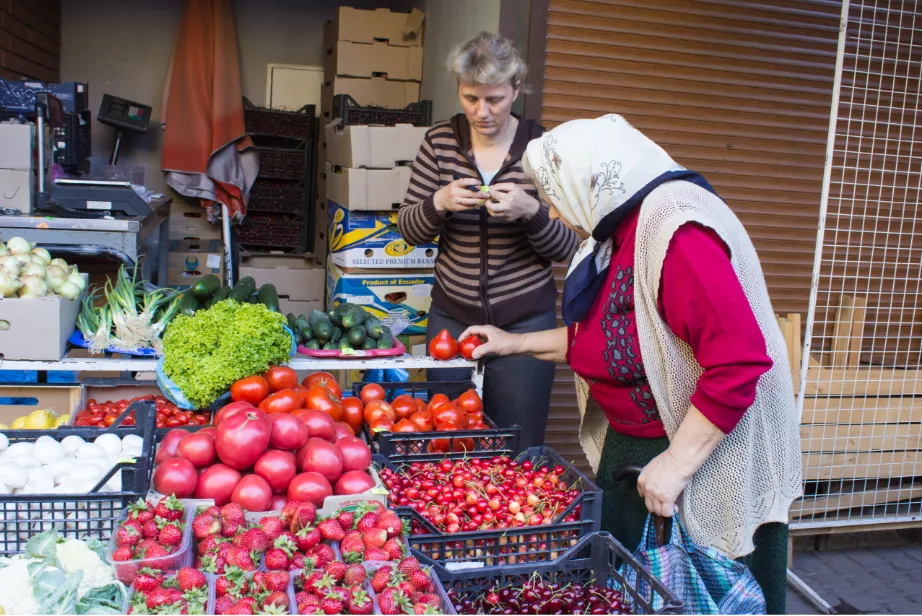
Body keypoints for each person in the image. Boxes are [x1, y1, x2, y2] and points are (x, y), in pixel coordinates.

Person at [461, 114, 803, 614]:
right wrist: (510, 342)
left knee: (704, 598)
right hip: (637, 458)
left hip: (703, 459)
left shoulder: (676, 230)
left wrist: (676, 465)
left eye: (554, 193)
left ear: (588, 178)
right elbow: (608, 339)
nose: (554, 211)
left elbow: (737, 361)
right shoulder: (620, 230)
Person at [397, 32, 579, 450]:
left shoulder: (542, 149)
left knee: (518, 445)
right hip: (451, 320)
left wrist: (530, 213)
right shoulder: (439, 143)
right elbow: (408, 231)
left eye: (494, 99)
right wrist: (438, 202)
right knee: (448, 441)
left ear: (516, 88)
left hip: (525, 324)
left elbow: (570, 249)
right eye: (470, 98)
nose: (481, 112)